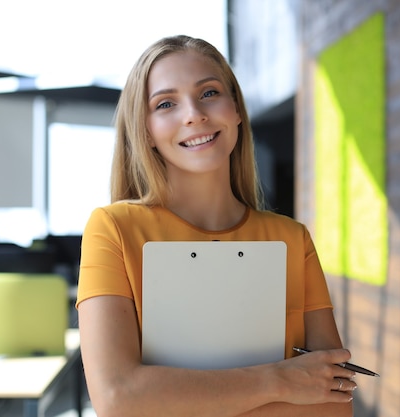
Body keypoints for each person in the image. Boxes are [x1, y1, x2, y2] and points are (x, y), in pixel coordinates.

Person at [76, 34, 357, 417]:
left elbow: (332, 406)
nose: (193, 114)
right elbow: (118, 397)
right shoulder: (114, 229)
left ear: (236, 110)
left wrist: (178, 396)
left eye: (209, 93)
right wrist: (283, 380)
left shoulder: (292, 239)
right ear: (146, 131)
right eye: (166, 103)